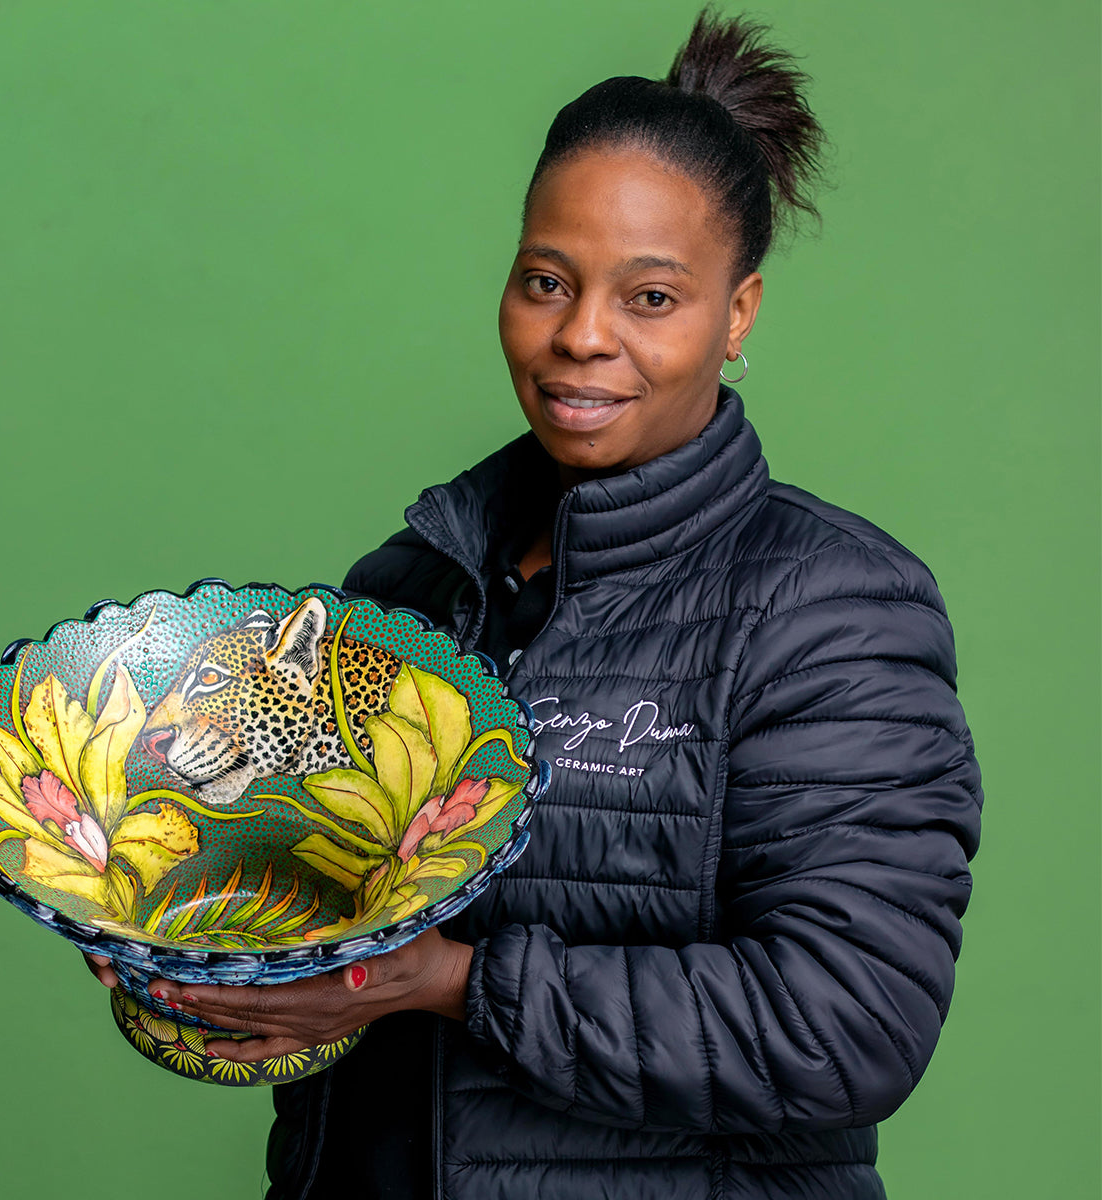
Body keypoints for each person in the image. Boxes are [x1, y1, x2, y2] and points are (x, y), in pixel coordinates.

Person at [88, 9, 982, 1198]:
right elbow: (330, 911)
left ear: (740, 312)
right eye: (546, 281)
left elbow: (844, 1028)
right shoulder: (403, 590)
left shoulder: (831, 608)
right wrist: (187, 947)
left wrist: (459, 980)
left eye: (650, 298)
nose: (581, 338)